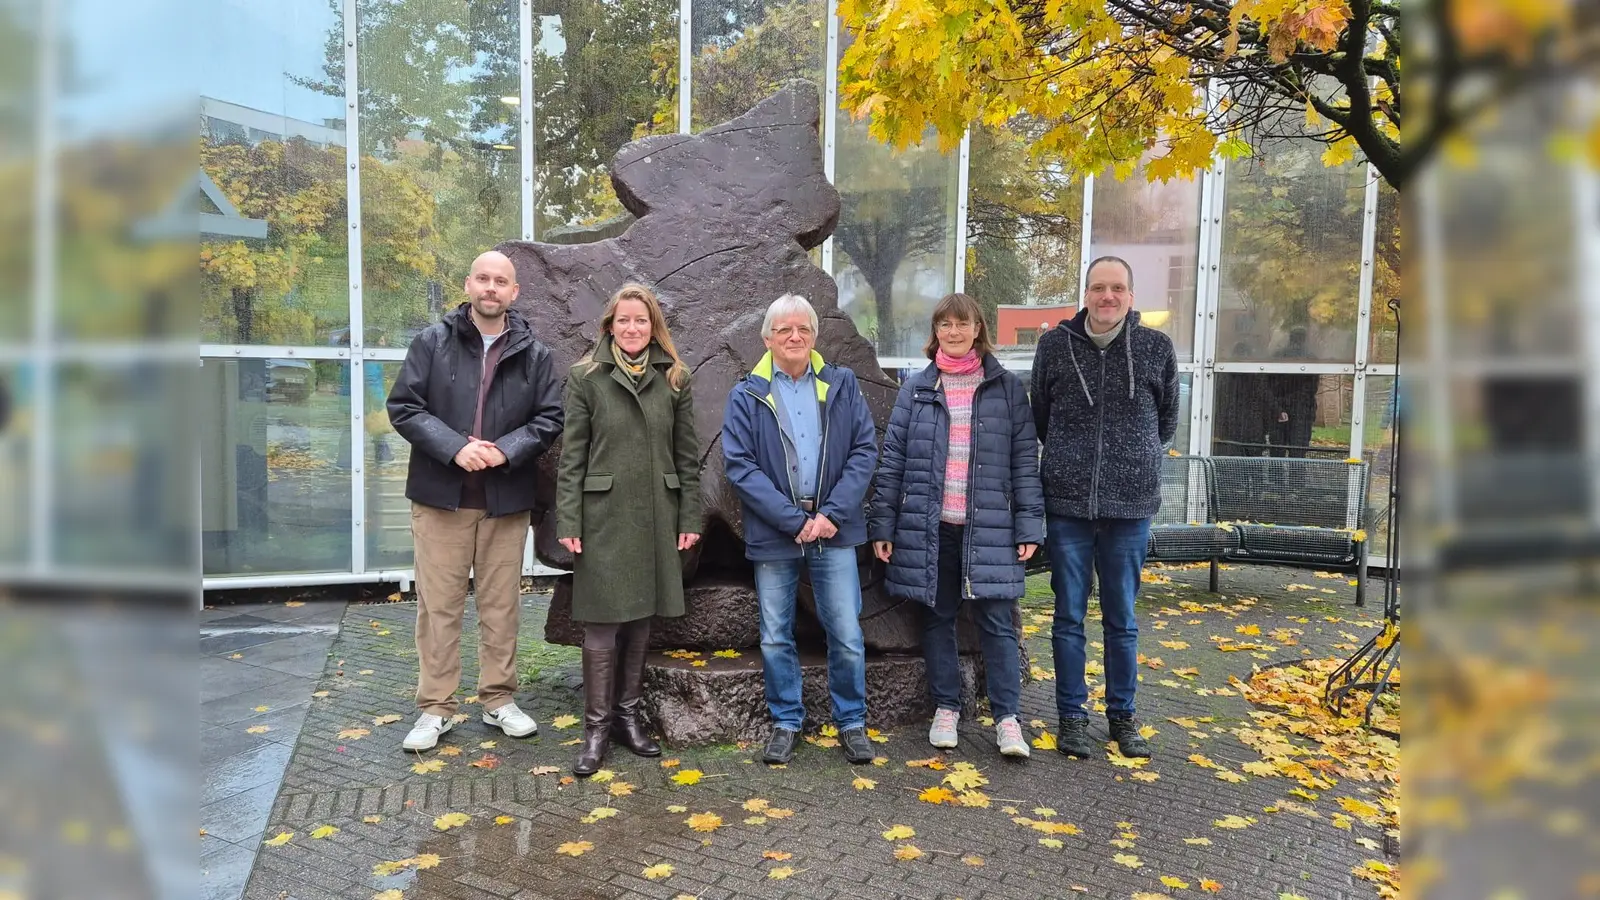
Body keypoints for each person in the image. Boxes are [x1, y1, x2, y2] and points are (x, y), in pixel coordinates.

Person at [387, 250, 564, 752]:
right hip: (441, 499)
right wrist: (456, 448)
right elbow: (404, 407)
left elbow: (550, 420)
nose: (491, 287)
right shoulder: (431, 342)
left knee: (501, 607)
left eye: (501, 281)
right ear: (468, 285)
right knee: (438, 608)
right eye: (483, 279)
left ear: (514, 292)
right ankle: (435, 709)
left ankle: (498, 700)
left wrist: (503, 452)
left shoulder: (537, 355)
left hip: (504, 502)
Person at [868, 293, 1043, 758]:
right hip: (932, 528)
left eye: (961, 323)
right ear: (936, 332)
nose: (953, 332)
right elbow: (894, 461)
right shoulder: (918, 387)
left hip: (990, 529)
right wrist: (883, 526)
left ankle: (1008, 719)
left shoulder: (1006, 388)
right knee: (938, 617)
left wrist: (1029, 526)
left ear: (977, 329)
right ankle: (947, 708)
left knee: (997, 623)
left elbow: (1025, 462)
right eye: (944, 324)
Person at [1031, 256, 1178, 760]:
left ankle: (1122, 716)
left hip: (1130, 507)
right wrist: (1071, 463)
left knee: (1122, 618)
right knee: (1068, 615)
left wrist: (1133, 463)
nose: (1107, 296)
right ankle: (1071, 716)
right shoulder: (1053, 346)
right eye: (1098, 288)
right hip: (1068, 506)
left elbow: (1166, 421)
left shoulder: (1157, 348)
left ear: (1130, 296)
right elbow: (1041, 418)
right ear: (1086, 295)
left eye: (1117, 288)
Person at [722, 294, 879, 766]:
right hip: (777, 532)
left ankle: (851, 721)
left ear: (814, 336)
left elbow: (864, 451)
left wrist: (830, 514)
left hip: (835, 526)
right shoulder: (747, 393)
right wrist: (794, 521)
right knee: (775, 635)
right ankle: (786, 721)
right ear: (768, 338)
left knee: (847, 632)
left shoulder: (842, 383)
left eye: (804, 329)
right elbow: (740, 466)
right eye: (785, 330)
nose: (795, 337)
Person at [556, 283, 702, 776]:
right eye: (624, 320)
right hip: (603, 516)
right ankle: (595, 729)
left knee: (642, 618)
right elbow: (571, 456)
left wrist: (689, 516)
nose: (633, 328)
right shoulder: (586, 377)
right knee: (601, 622)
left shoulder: (675, 378)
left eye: (641, 320)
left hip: (658, 513)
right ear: (610, 326)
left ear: (653, 325)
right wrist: (569, 519)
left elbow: (687, 456)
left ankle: (626, 718)